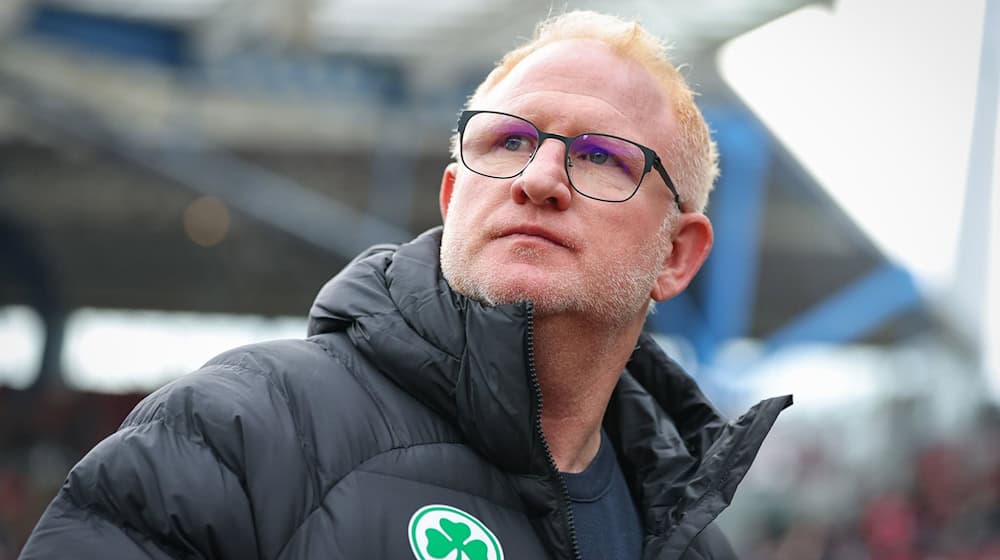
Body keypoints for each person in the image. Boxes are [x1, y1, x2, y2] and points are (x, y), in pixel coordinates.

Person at [21, 10, 790, 560]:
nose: (539, 177)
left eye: (599, 156)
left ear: (677, 257)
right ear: (454, 200)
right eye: (509, 140)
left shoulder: (690, 539)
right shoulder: (240, 431)